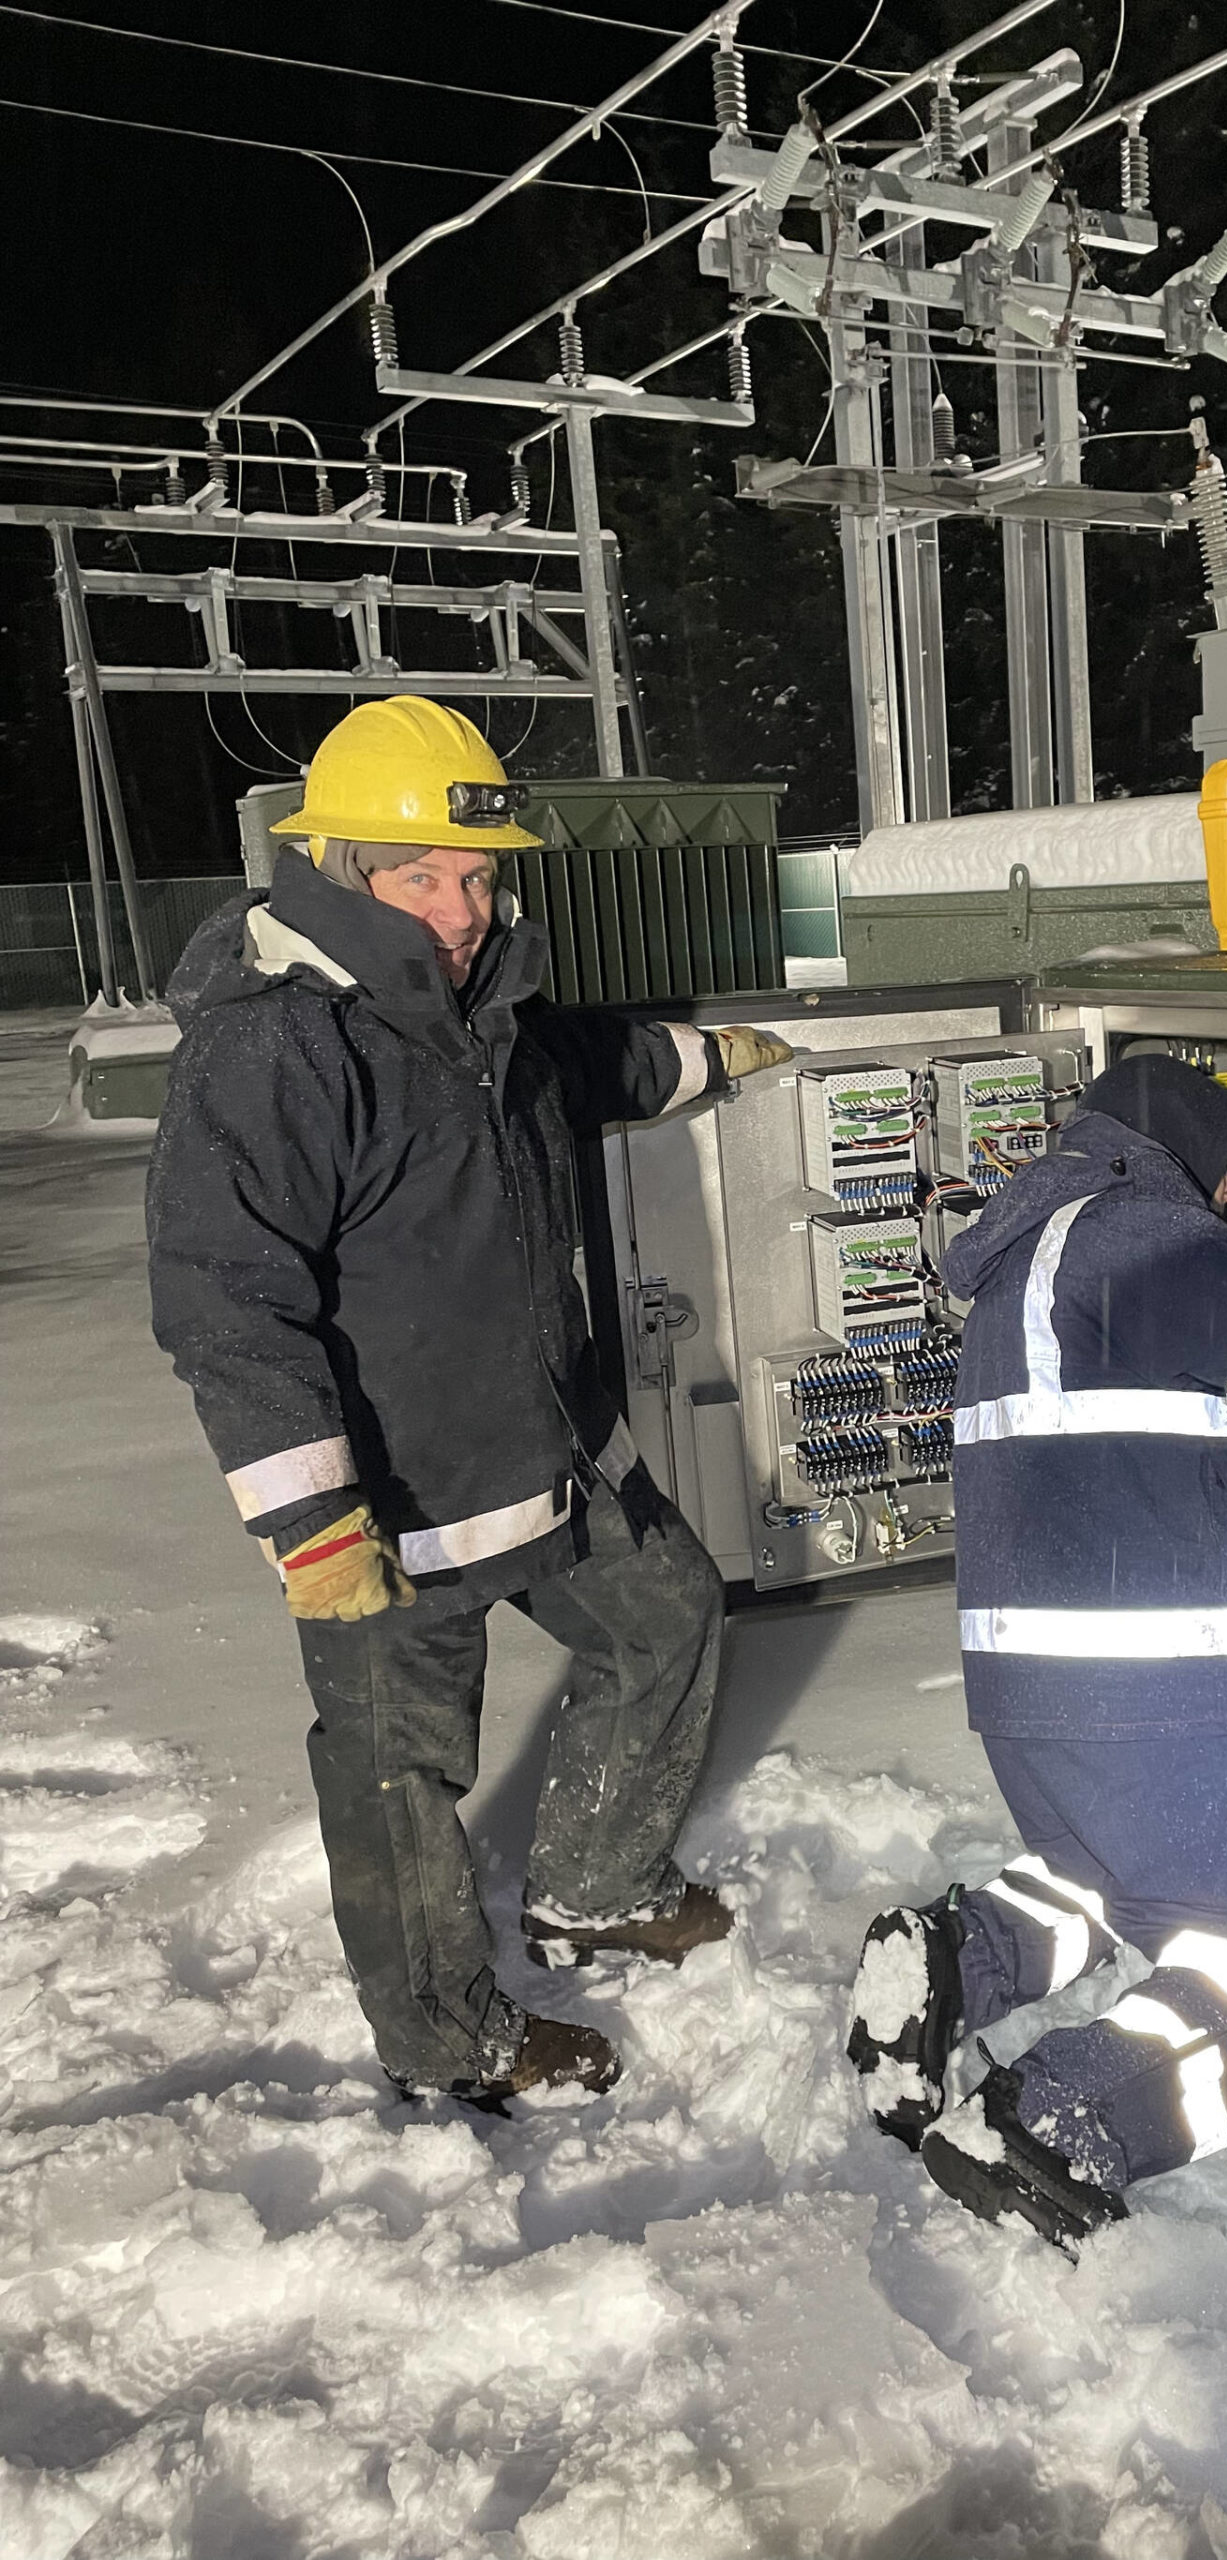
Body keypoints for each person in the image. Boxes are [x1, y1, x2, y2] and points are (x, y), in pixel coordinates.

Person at [147, 696, 792, 2110]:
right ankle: (449, 2038)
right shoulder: (276, 1050)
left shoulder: (484, 1012)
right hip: (390, 1506)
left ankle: (598, 1883)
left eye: (481, 875)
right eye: (422, 877)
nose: (460, 907)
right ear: (335, 868)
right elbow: (224, 1297)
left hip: (547, 1451)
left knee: (668, 1613)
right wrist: (313, 1524)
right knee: (400, 1778)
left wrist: (712, 1057)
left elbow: (584, 1067)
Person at [847, 1052, 1227, 2248]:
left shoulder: (1028, 1264)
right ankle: (1050, 2119)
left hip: (1033, 1690)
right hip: (1153, 1694)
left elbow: (1181, 1394)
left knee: (1112, 1880)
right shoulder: (1136, 1230)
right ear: (1174, 1154)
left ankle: (948, 1966)